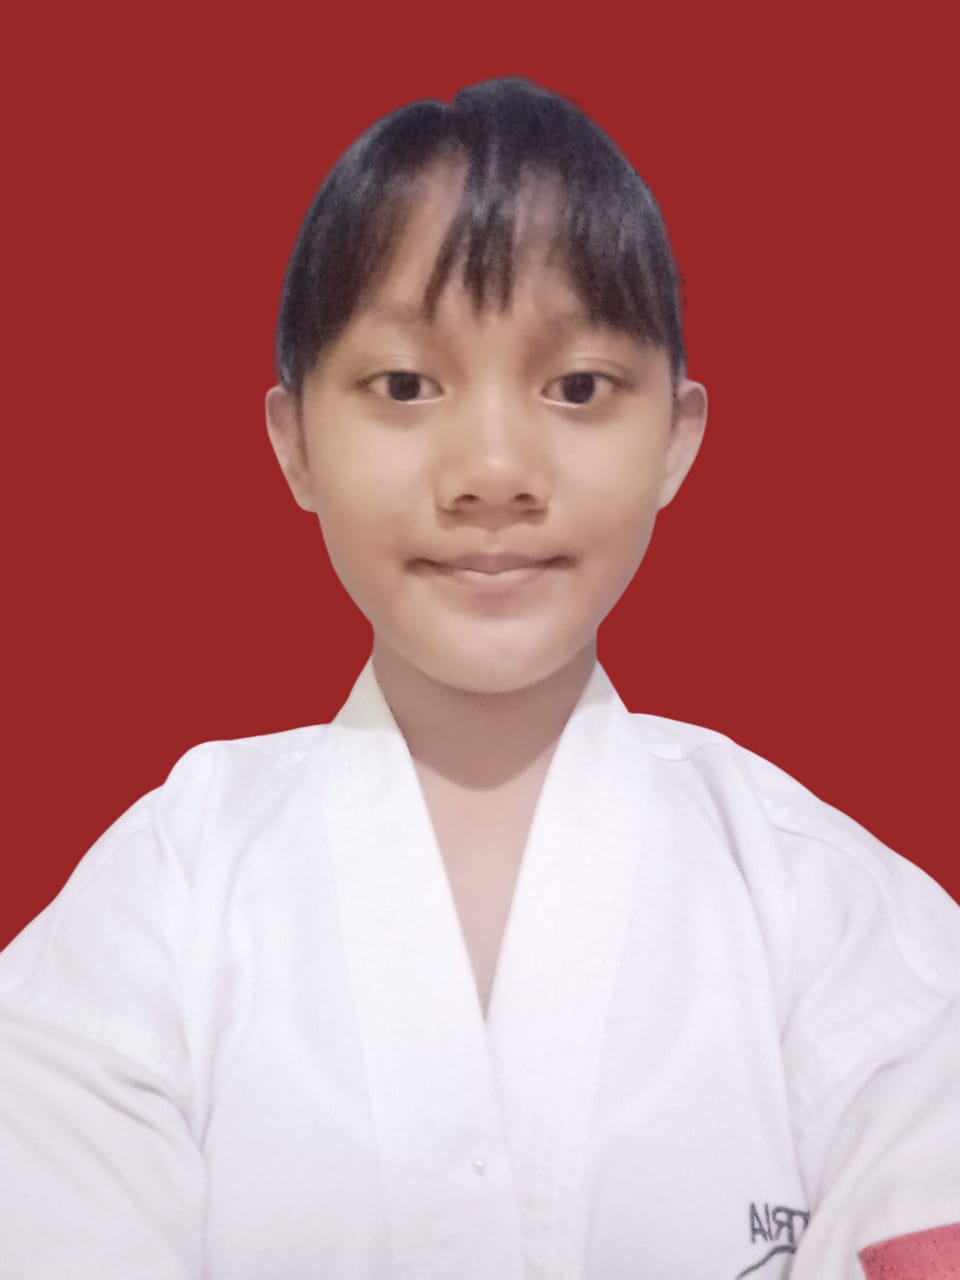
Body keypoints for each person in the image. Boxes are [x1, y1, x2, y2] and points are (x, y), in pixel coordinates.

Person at [0, 76, 957, 1280]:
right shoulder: (160, 897)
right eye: (405, 385)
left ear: (676, 436)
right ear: (295, 442)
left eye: (578, 386)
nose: (494, 470)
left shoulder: (842, 921)